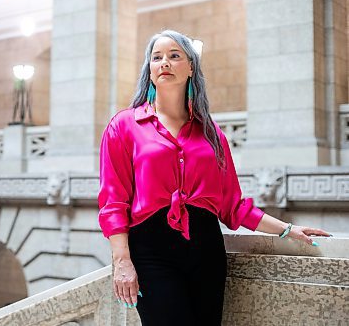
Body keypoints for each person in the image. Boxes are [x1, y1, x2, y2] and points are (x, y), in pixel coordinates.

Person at [97, 29, 331, 326]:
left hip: (206, 251)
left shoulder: (211, 134)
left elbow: (233, 206)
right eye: (157, 58)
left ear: (191, 67)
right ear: (150, 70)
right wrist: (122, 261)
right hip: (151, 252)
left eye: (174, 56)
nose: (164, 63)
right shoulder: (124, 126)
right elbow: (113, 202)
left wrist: (287, 229)